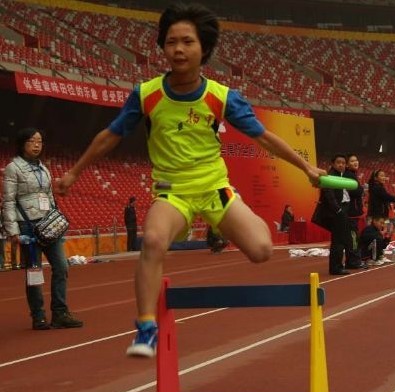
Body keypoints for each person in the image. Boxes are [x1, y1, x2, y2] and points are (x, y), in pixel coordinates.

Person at [55, 3, 324, 358]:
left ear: (204, 48)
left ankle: (231, 214)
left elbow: (263, 138)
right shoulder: (146, 94)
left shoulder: (222, 97)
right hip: (172, 193)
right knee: (153, 241)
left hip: (214, 189)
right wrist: (75, 172)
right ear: (162, 47)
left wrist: (306, 169)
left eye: (187, 42)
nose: (178, 49)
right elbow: (111, 135)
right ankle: (146, 329)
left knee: (261, 251)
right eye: (171, 42)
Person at [2, 128, 83, 330]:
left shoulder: (44, 168)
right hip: (27, 226)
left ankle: (60, 312)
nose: (37, 145)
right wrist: (13, 231)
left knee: (62, 267)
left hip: (48, 225)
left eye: (39, 141)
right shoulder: (13, 168)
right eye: (32, 141)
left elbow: (49, 196)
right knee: (34, 272)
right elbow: (8, 201)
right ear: (22, 144)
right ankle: (38, 315)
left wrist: (56, 219)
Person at [318, 154, 353, 276]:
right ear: (333, 164)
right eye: (338, 162)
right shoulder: (329, 176)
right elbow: (329, 194)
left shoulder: (341, 176)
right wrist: (338, 210)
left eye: (343, 163)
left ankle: (338, 266)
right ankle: (335, 268)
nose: (341, 165)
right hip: (336, 212)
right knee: (338, 241)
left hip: (342, 210)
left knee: (342, 240)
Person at [344, 153, 367, 269]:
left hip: (353, 212)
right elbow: (355, 191)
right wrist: (361, 189)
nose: (355, 162)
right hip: (351, 212)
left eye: (356, 160)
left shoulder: (352, 174)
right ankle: (353, 262)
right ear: (347, 164)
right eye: (352, 161)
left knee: (353, 237)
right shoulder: (348, 175)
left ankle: (353, 260)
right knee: (353, 237)